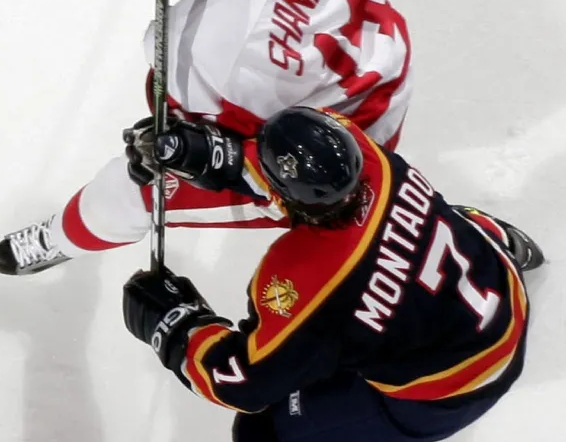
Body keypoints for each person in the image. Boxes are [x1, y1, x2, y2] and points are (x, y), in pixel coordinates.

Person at [0, 0, 414, 275]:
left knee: (138, 188)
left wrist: (179, 140)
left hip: (342, 162)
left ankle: (60, 240)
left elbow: (184, 116)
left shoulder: (189, 40)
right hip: (389, 81)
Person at [121, 107, 541, 441]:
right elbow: (287, 172)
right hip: (495, 286)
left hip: (456, 385)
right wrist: (201, 153)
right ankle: (495, 236)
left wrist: (179, 328)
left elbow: (242, 383)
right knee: (437, 221)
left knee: (264, 429)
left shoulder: (306, 277)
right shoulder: (365, 154)